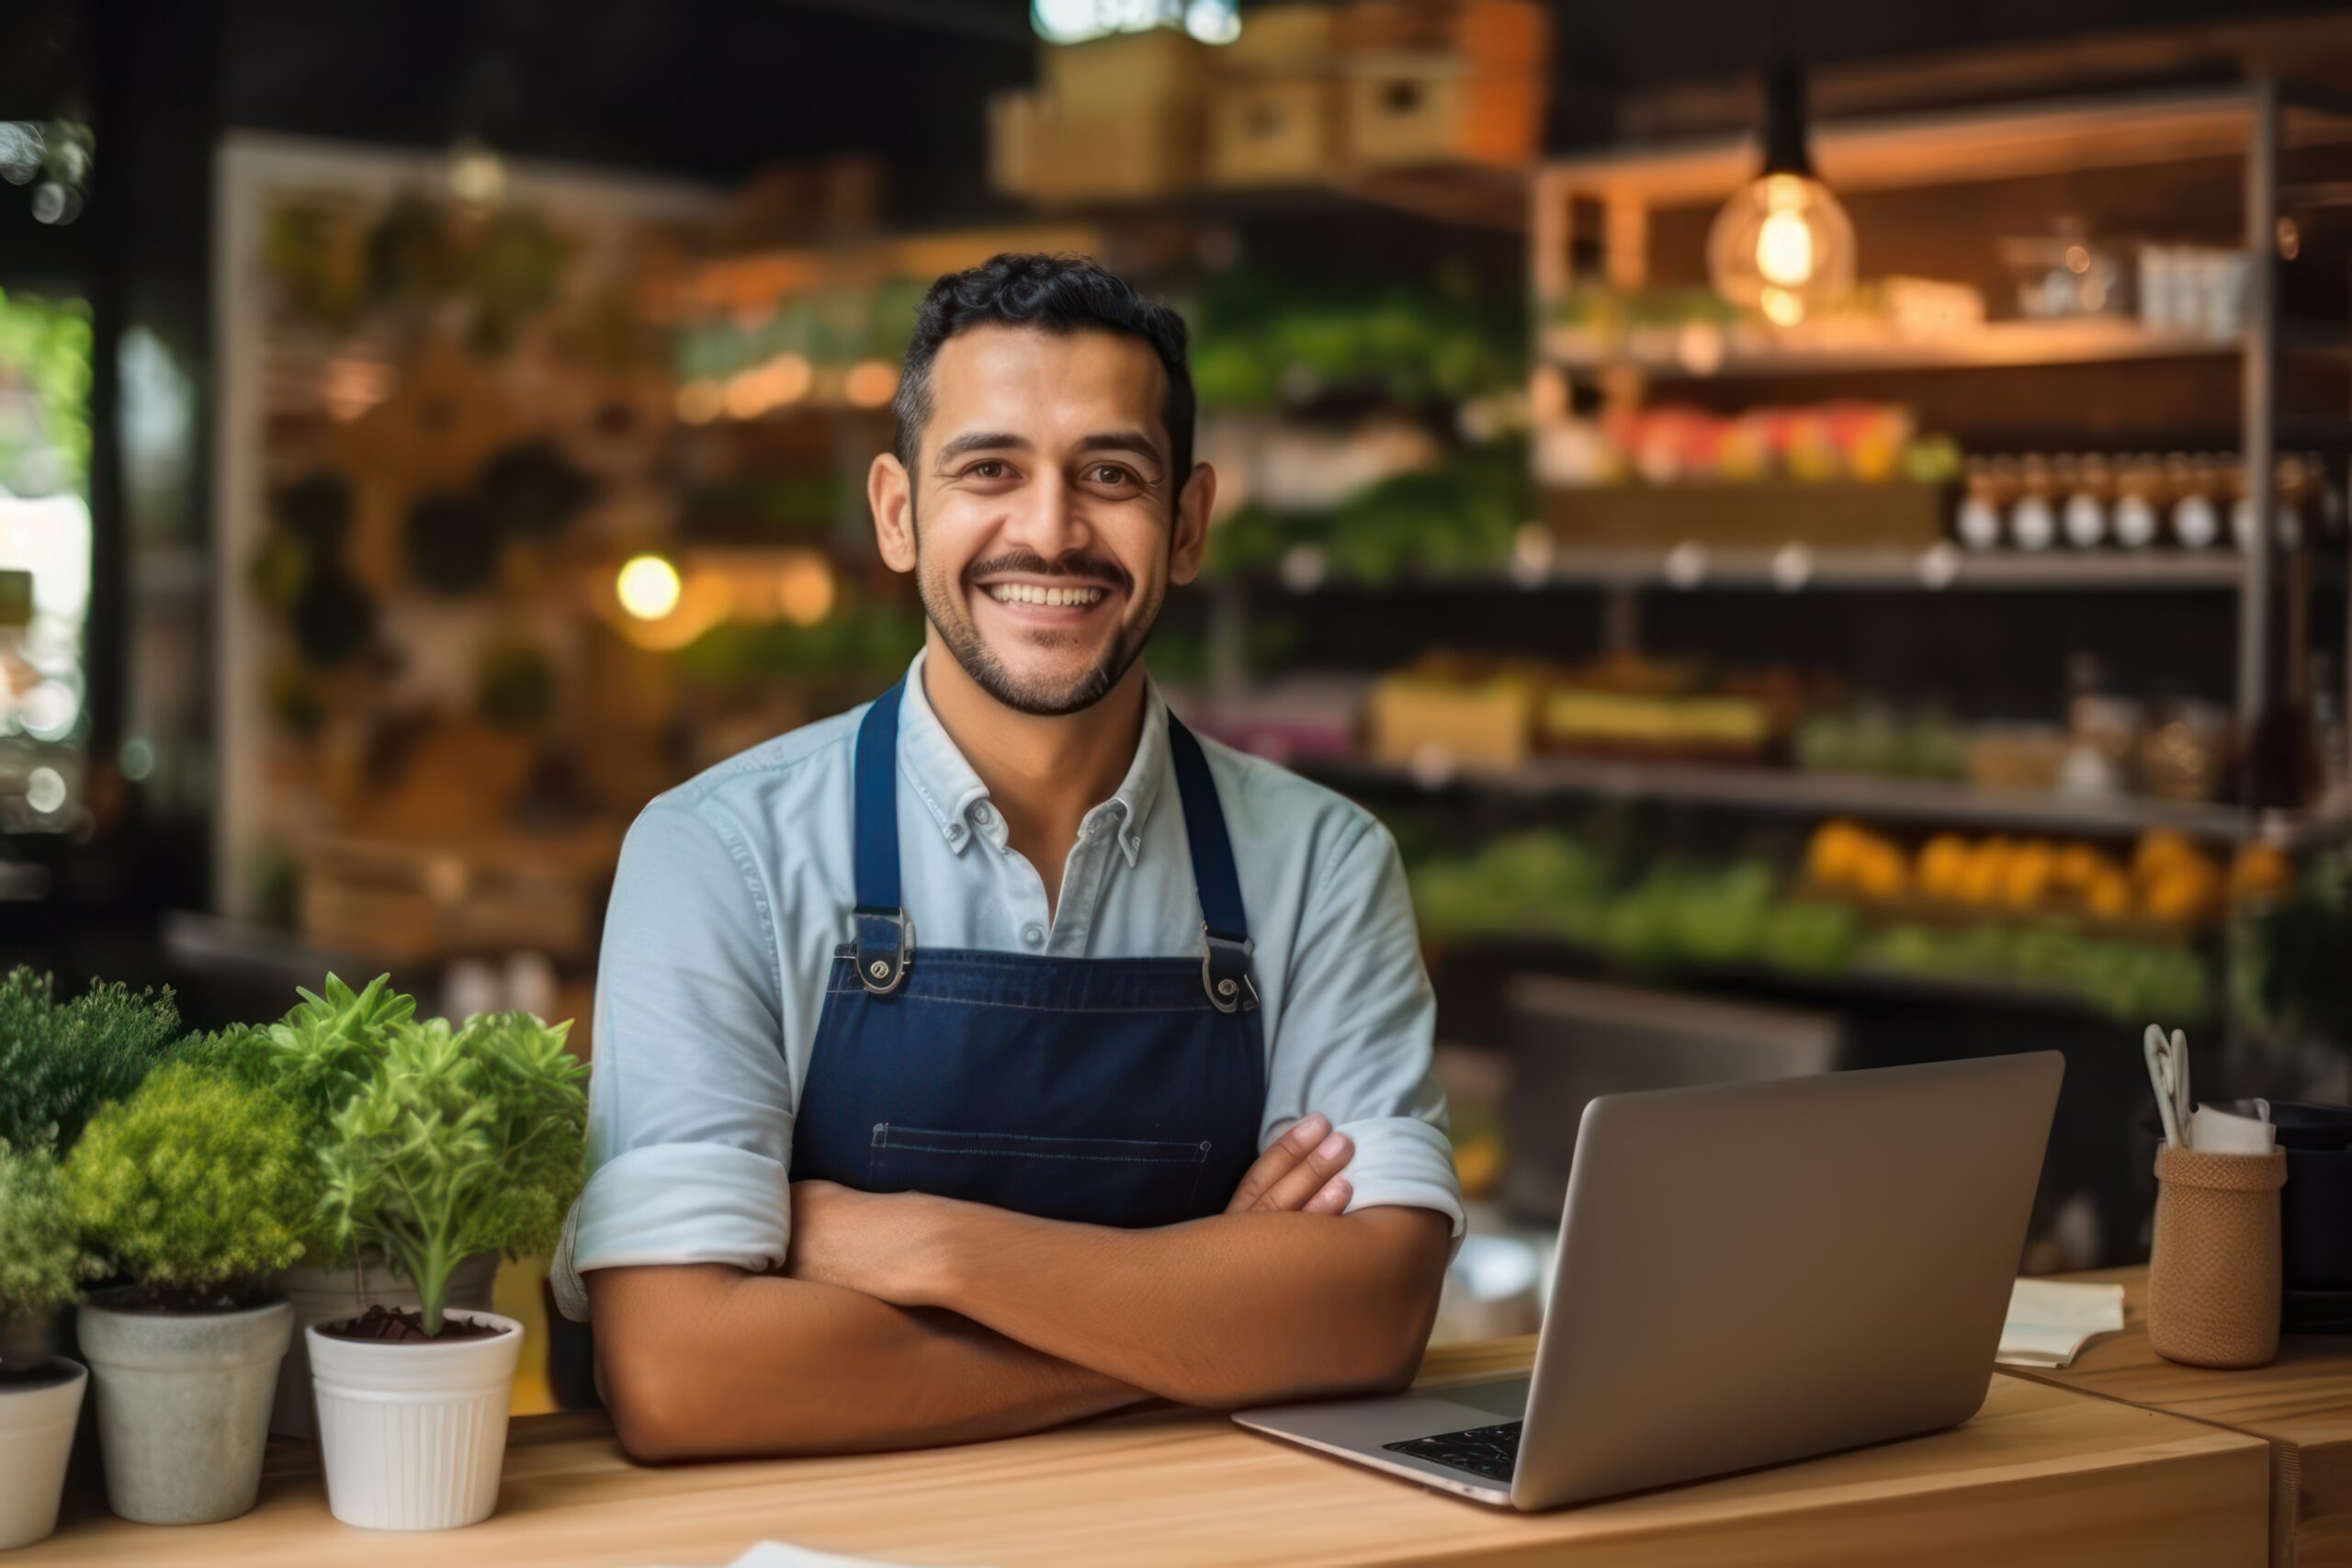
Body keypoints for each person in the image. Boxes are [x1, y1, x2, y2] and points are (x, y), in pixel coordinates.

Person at [556, 253, 1463, 1461]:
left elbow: (1369, 1315)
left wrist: (925, 1246)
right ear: (896, 512)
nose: (1051, 529)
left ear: (1186, 525)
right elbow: (682, 1377)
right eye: (990, 469)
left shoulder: (1321, 867)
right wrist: (1205, 1328)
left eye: (1111, 474)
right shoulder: (718, 855)